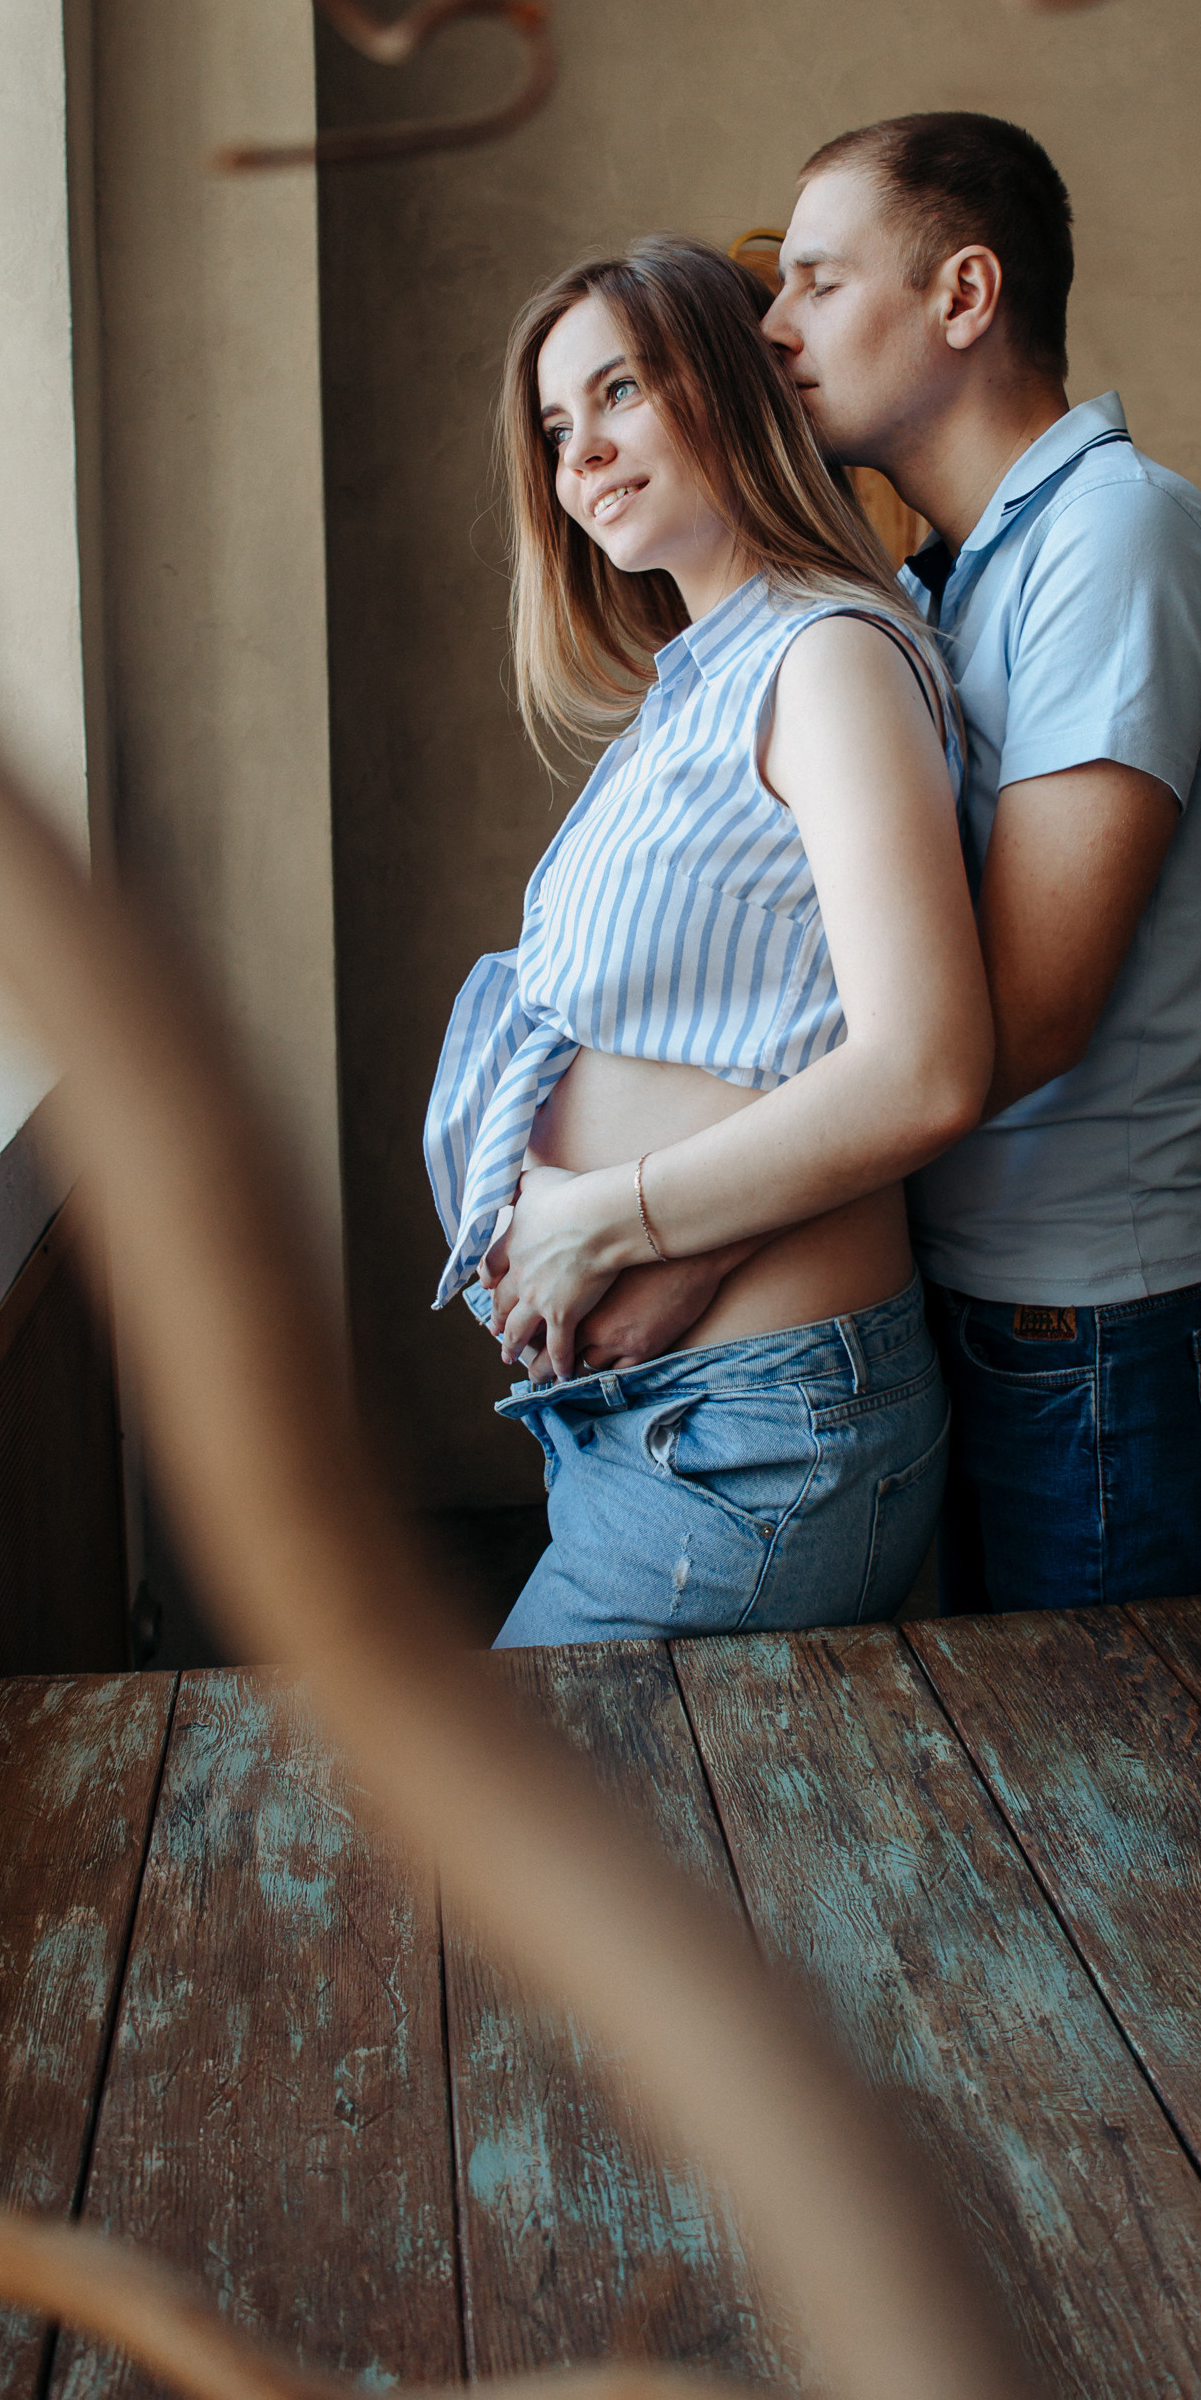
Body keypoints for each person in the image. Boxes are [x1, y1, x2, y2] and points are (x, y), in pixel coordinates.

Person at [582, 114, 1201, 1613]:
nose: (771, 329)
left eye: (819, 281)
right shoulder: (934, 580)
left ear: (965, 296)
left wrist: (693, 1237)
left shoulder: (1117, 542)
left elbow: (1019, 1015)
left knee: (1096, 1759)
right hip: (966, 1301)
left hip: (1098, 1329)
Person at [425, 235, 991, 1647]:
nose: (582, 453)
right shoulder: (698, 684)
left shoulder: (829, 658)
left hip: (757, 1432)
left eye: (621, 391)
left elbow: (925, 1069)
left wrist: (599, 1218)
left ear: (736, 388)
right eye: (557, 426)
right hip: (660, 1416)